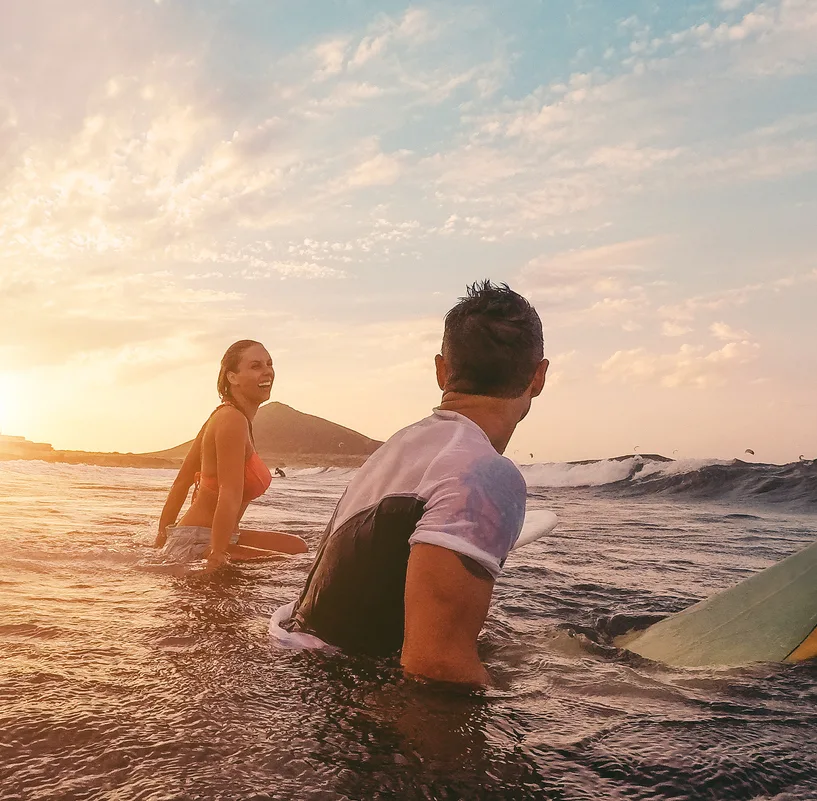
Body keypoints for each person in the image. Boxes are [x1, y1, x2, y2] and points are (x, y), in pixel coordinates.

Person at [276, 281, 548, 686]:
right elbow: (435, 666)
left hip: (301, 674)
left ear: (441, 371)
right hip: (352, 714)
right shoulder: (485, 473)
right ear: (539, 377)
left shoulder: (398, 449)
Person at [155, 339, 307, 568]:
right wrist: (217, 554)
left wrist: (162, 539)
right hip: (201, 540)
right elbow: (229, 492)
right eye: (256, 366)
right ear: (232, 377)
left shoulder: (226, 417)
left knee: (297, 548)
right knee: (295, 563)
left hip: (205, 536)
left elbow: (182, 481)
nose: (267, 371)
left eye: (269, 363)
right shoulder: (231, 420)